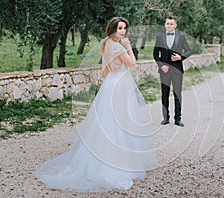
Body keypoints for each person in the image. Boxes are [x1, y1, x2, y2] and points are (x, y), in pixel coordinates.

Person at [35, 17, 157, 192]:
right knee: (119, 121)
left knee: (108, 120)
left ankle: (106, 157)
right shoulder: (118, 46)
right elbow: (133, 64)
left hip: (110, 84)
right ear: (112, 29)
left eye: (124, 28)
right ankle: (115, 163)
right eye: (119, 28)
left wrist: (111, 78)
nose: (123, 32)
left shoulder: (105, 43)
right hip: (119, 84)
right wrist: (129, 47)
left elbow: (105, 70)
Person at [153, 15, 193, 127]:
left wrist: (181, 57)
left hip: (177, 71)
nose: (169, 25)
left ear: (175, 25)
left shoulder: (181, 37)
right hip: (164, 71)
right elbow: (155, 54)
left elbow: (189, 50)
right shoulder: (159, 37)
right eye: (167, 23)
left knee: (177, 94)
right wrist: (161, 65)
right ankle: (165, 117)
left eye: (171, 24)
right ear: (165, 25)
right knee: (164, 94)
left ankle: (178, 119)